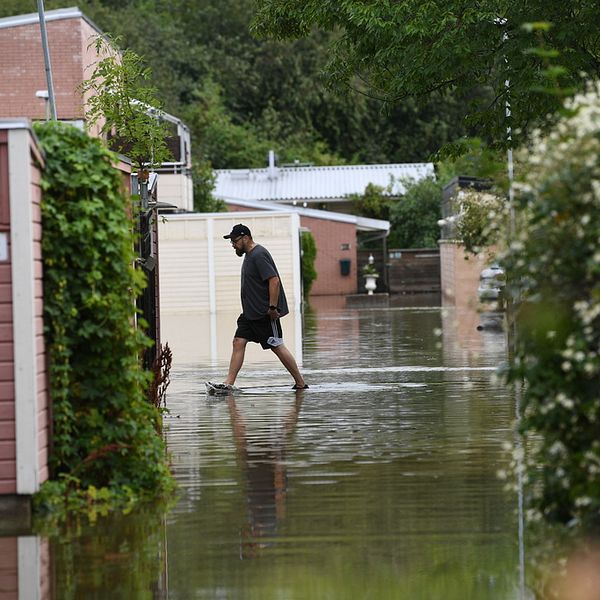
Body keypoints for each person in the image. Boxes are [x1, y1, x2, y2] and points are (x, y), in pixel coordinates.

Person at [208, 224, 308, 392]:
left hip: (265, 313)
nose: (232, 244)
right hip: (250, 314)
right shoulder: (249, 255)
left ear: (245, 238)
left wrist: (272, 307)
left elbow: (274, 280)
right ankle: (229, 384)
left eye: (234, 240)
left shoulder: (259, 254)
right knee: (238, 342)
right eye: (231, 241)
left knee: (276, 346)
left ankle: (300, 383)